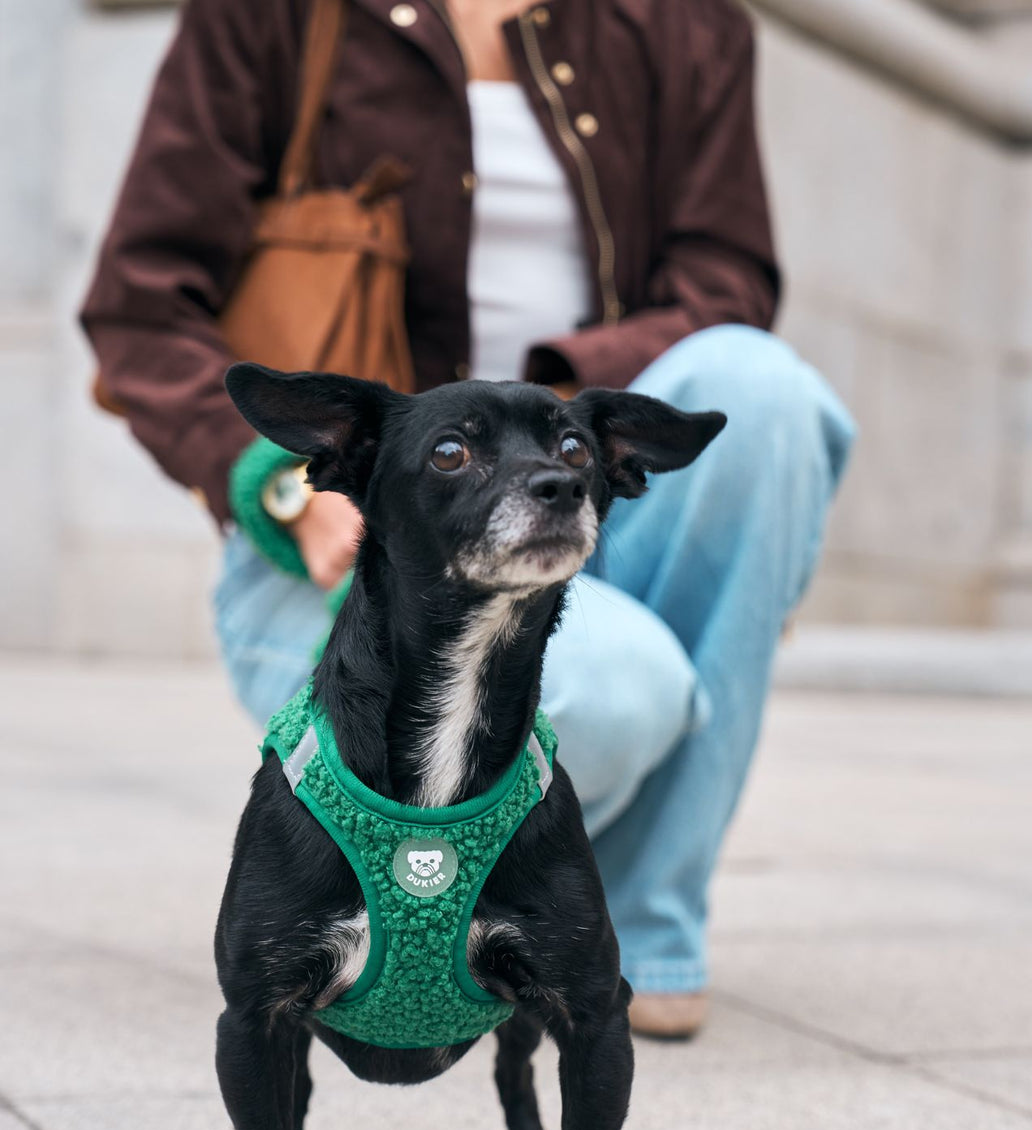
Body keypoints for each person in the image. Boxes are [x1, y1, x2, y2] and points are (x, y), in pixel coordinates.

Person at [81, 0, 854, 1039]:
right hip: (361, 550)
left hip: (567, 497)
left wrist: (534, 420)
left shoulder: (685, 21)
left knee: (766, 391)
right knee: (617, 692)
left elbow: (726, 283)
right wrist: (279, 478)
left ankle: (635, 919)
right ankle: (456, 910)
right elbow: (140, 306)